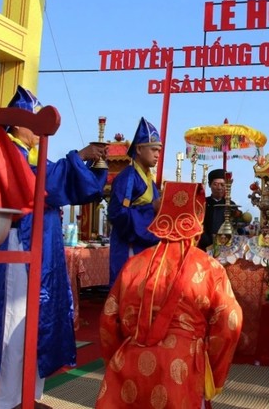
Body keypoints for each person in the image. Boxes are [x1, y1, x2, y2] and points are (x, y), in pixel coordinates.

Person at [0, 86, 108, 409]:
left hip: (42, 243)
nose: (37, 127)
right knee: (16, 318)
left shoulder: (35, 154)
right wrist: (78, 156)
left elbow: (61, 182)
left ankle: (29, 394)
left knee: (36, 319)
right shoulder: (8, 150)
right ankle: (9, 400)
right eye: (33, 120)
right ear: (17, 123)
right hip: (19, 242)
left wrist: (92, 166)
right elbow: (45, 184)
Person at [97, 181, 243, 409]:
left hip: (131, 360)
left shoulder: (134, 264)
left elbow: (108, 319)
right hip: (181, 365)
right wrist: (212, 371)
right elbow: (229, 324)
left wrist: (117, 357)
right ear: (197, 220)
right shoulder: (209, 268)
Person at [107, 117, 162, 286]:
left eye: (159, 151)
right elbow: (117, 214)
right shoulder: (128, 177)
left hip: (146, 246)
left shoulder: (149, 180)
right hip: (129, 247)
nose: (157, 155)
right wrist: (151, 208)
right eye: (153, 149)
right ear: (138, 148)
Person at [198, 168, 237, 251]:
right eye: (215, 184)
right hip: (204, 247)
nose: (219, 188)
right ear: (209, 185)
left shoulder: (231, 205)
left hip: (227, 247)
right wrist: (208, 243)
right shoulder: (202, 203)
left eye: (222, 185)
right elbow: (198, 225)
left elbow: (236, 227)